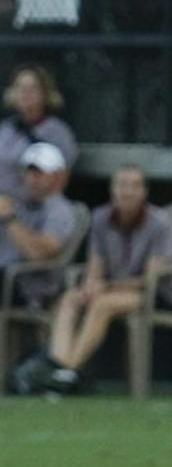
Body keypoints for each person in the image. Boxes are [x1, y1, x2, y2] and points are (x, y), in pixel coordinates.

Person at [29, 165, 168, 395]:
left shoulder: (159, 223)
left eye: (134, 186)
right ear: (112, 189)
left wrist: (107, 286)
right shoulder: (101, 218)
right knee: (71, 299)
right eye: (122, 185)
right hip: (108, 288)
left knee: (103, 303)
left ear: (144, 192)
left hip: (150, 293)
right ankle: (58, 366)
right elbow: (96, 264)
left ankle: (66, 372)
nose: (127, 192)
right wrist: (90, 286)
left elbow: (150, 278)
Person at [0, 141, 76, 324]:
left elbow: (40, 254)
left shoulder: (60, 210)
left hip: (23, 286)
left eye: (40, 173)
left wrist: (9, 220)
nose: (32, 179)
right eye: (29, 172)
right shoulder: (15, 203)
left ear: (58, 177)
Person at [0, 64, 77, 204]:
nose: (25, 93)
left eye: (33, 88)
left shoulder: (58, 133)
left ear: (45, 93)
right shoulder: (3, 130)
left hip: (33, 210)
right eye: (20, 88)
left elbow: (59, 182)